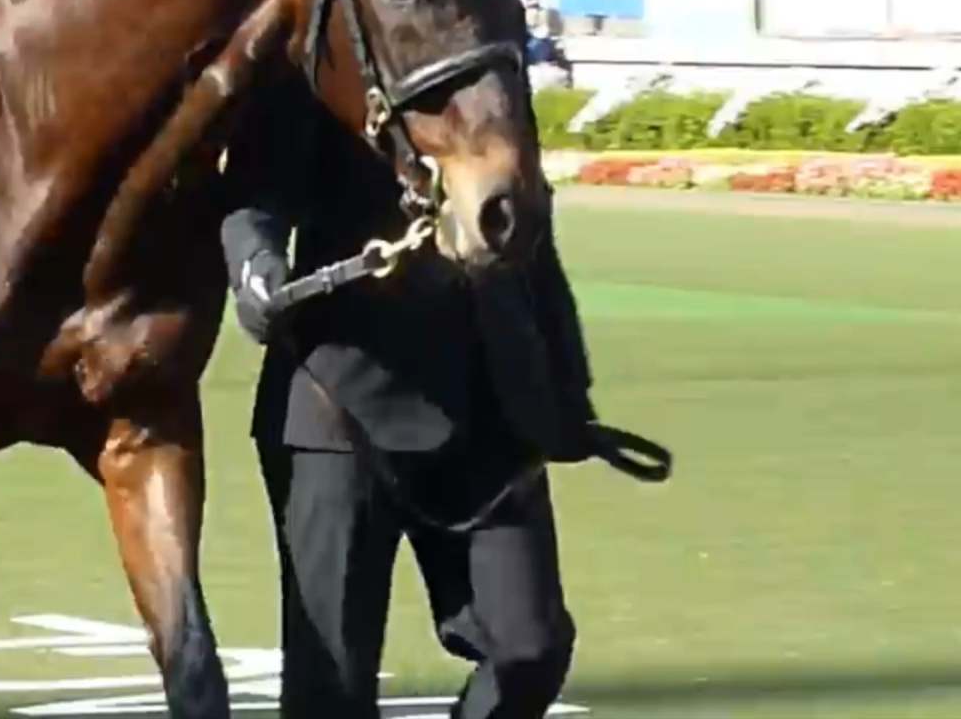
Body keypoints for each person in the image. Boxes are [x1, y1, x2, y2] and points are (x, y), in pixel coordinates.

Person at [221, 67, 668, 717]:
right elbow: (254, 198)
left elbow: (533, 233)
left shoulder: (492, 67)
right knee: (331, 693)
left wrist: (566, 388)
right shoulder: (323, 62)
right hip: (337, 413)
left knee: (530, 649)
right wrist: (256, 266)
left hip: (492, 409)